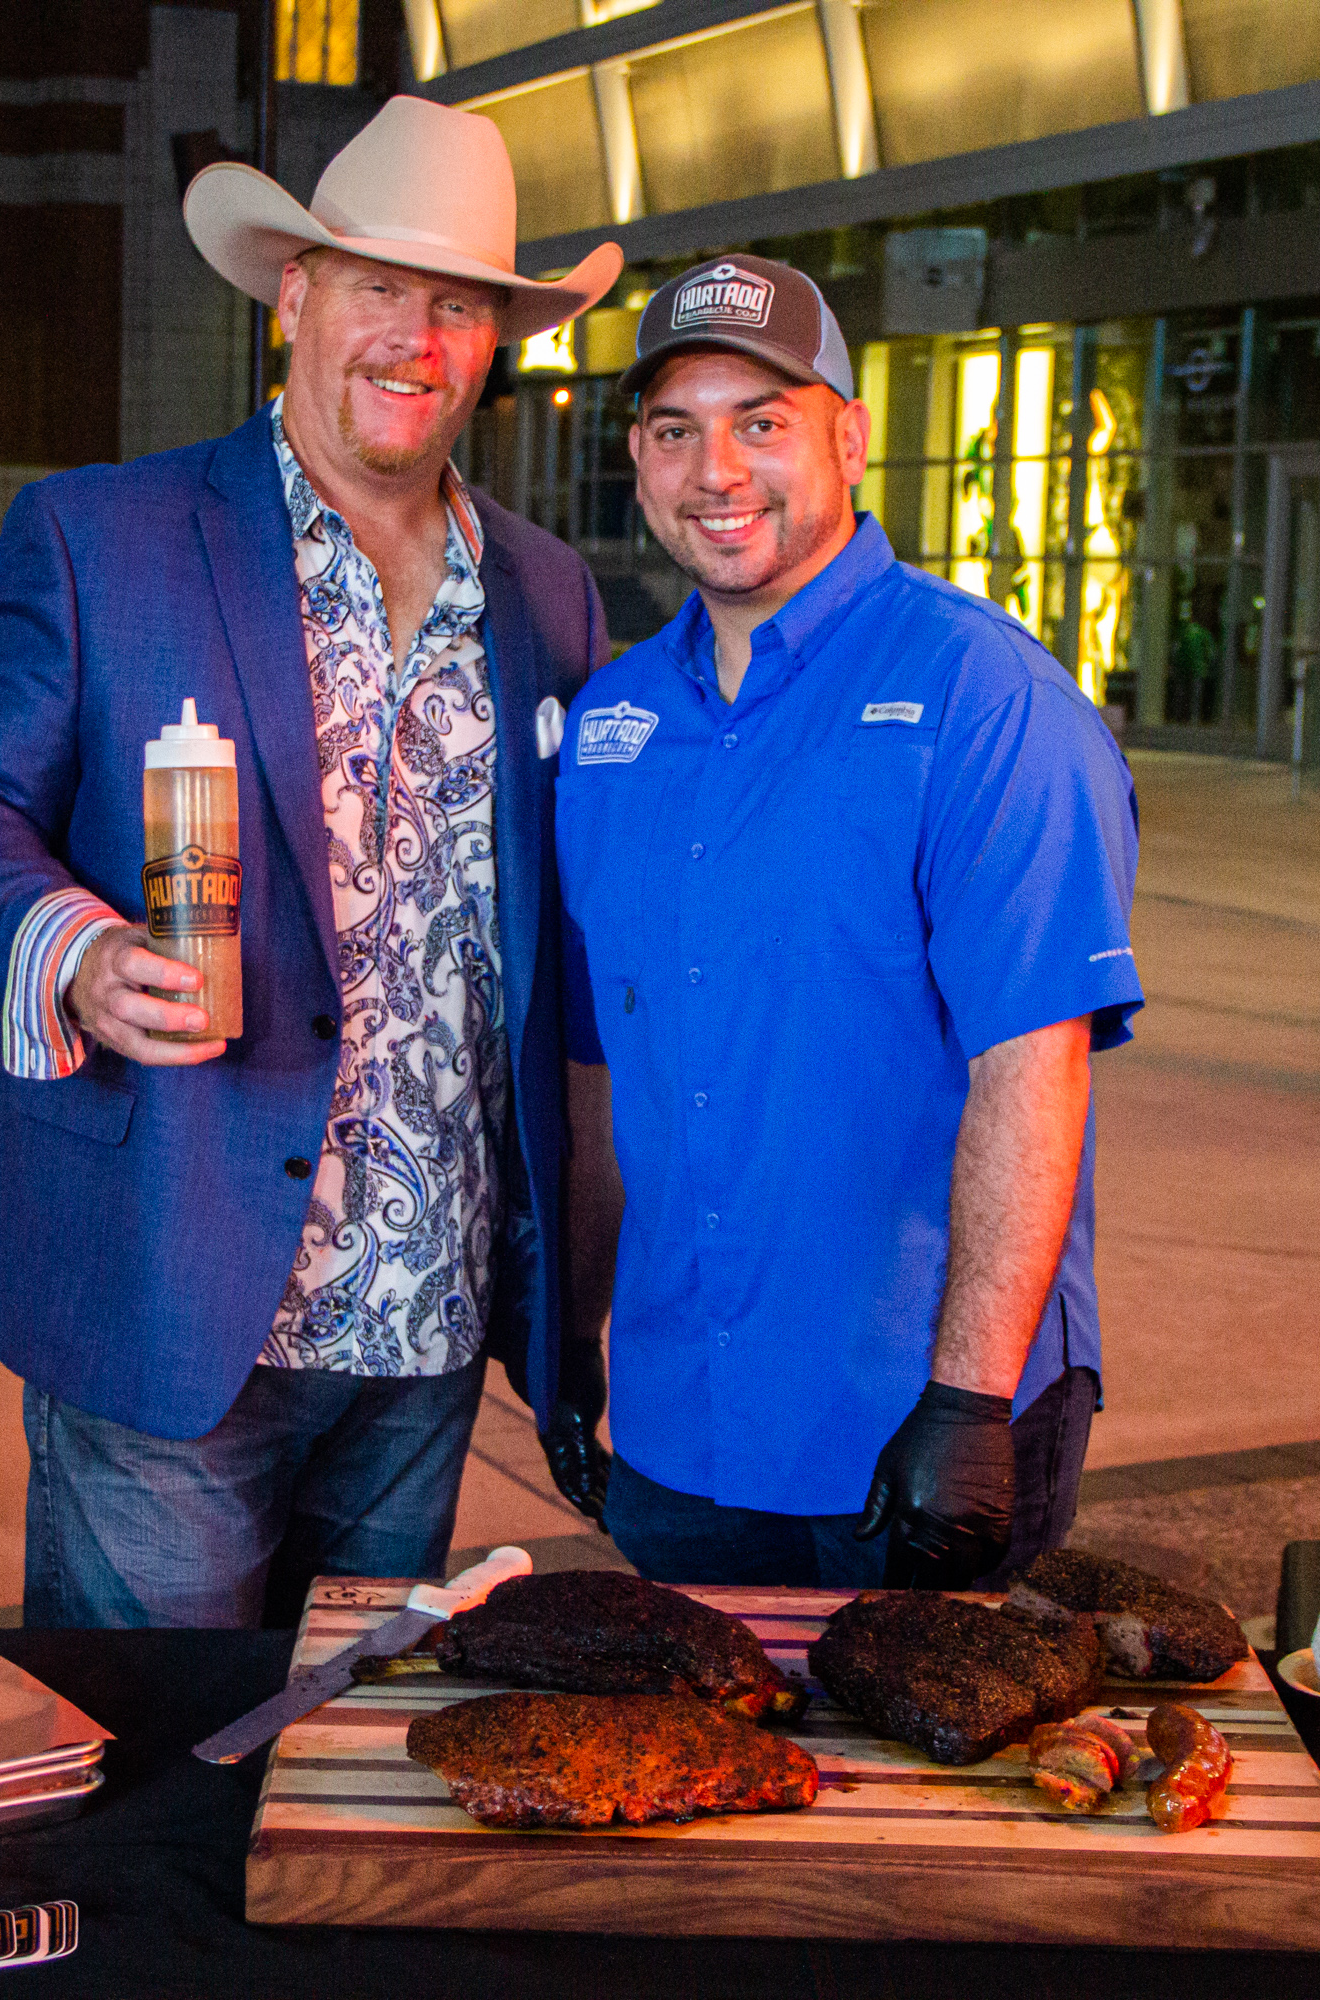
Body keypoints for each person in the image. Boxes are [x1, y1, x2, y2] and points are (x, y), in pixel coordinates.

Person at [0, 98, 622, 1629]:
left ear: (495, 341)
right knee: (154, 1775)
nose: (415, 338)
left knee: (343, 1776)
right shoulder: (106, 534)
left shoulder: (552, 596)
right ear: (293, 294)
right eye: (377, 288)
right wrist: (74, 951)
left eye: (459, 305)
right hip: (177, 1281)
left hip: (429, 1320)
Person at [547, 256, 1142, 1590]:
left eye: (761, 421)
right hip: (678, 1426)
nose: (718, 470)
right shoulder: (611, 728)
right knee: (698, 1785)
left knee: (921, 1793)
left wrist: (972, 1406)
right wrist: (570, 1338)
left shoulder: (984, 697)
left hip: (912, 1431)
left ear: (851, 438)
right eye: (674, 430)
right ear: (638, 463)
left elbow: (1033, 1068)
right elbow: (600, 1073)